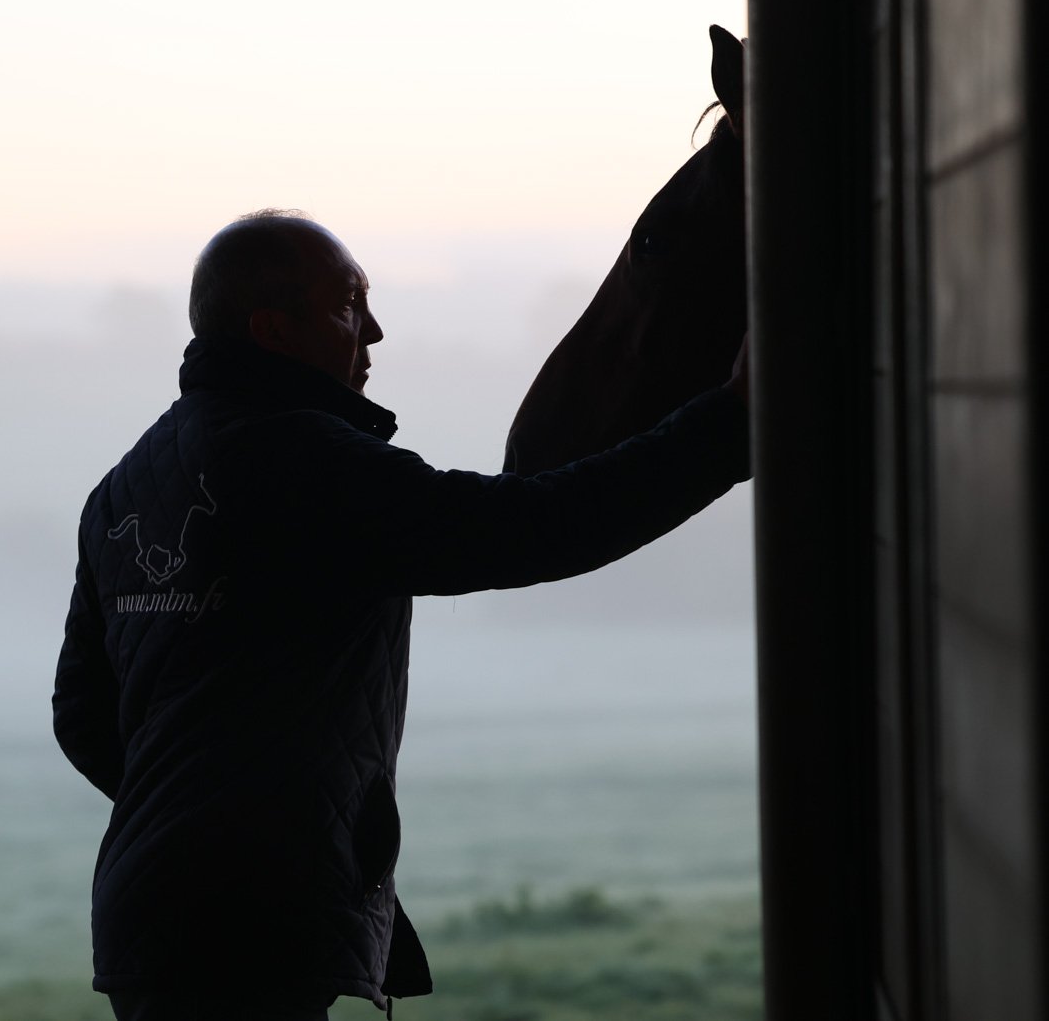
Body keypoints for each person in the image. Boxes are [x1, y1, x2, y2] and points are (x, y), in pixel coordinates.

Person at [54, 210, 751, 1020]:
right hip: (253, 922)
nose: (375, 331)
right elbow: (531, 529)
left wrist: (189, 811)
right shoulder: (308, 461)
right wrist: (728, 424)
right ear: (273, 330)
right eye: (348, 305)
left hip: (145, 913)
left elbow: (82, 718)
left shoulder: (122, 489)